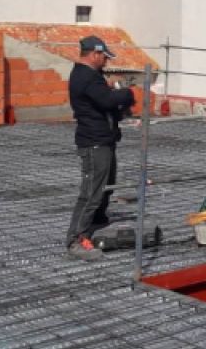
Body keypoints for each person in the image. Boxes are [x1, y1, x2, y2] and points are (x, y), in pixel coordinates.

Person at [66, 35, 136, 261]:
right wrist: (127, 93)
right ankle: (76, 239)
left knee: (106, 185)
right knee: (91, 192)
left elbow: (106, 103)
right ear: (94, 54)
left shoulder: (91, 75)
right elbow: (107, 100)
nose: (106, 62)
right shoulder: (86, 77)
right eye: (104, 57)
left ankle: (96, 220)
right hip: (94, 142)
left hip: (103, 140)